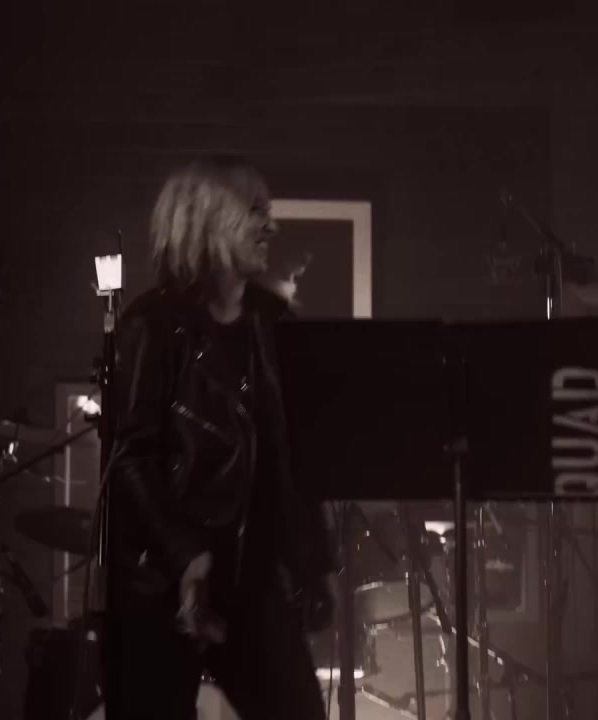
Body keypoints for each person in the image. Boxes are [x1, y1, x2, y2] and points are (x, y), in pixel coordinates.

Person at [101, 156, 338, 719]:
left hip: (251, 580)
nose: (270, 225)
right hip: (159, 584)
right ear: (207, 219)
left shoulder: (272, 323)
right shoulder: (152, 325)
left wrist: (313, 563)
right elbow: (130, 456)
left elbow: (291, 458)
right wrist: (187, 554)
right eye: (255, 210)